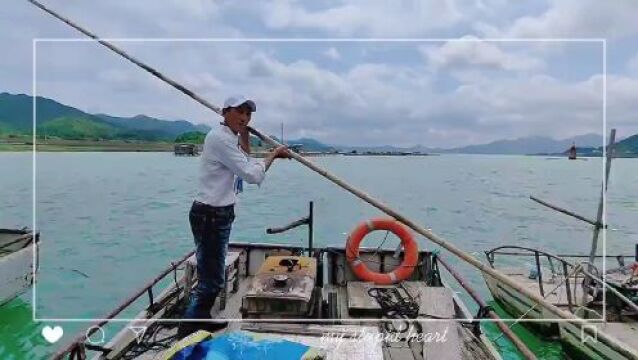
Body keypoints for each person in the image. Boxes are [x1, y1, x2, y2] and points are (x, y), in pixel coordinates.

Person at [178, 95, 290, 337]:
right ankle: (184, 334)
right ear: (225, 112)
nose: (244, 117)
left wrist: (245, 135)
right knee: (211, 282)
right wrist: (273, 155)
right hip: (210, 215)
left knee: (212, 276)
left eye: (248, 115)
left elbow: (245, 161)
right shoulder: (219, 139)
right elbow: (252, 175)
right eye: (239, 112)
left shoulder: (229, 138)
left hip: (219, 214)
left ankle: (203, 319)